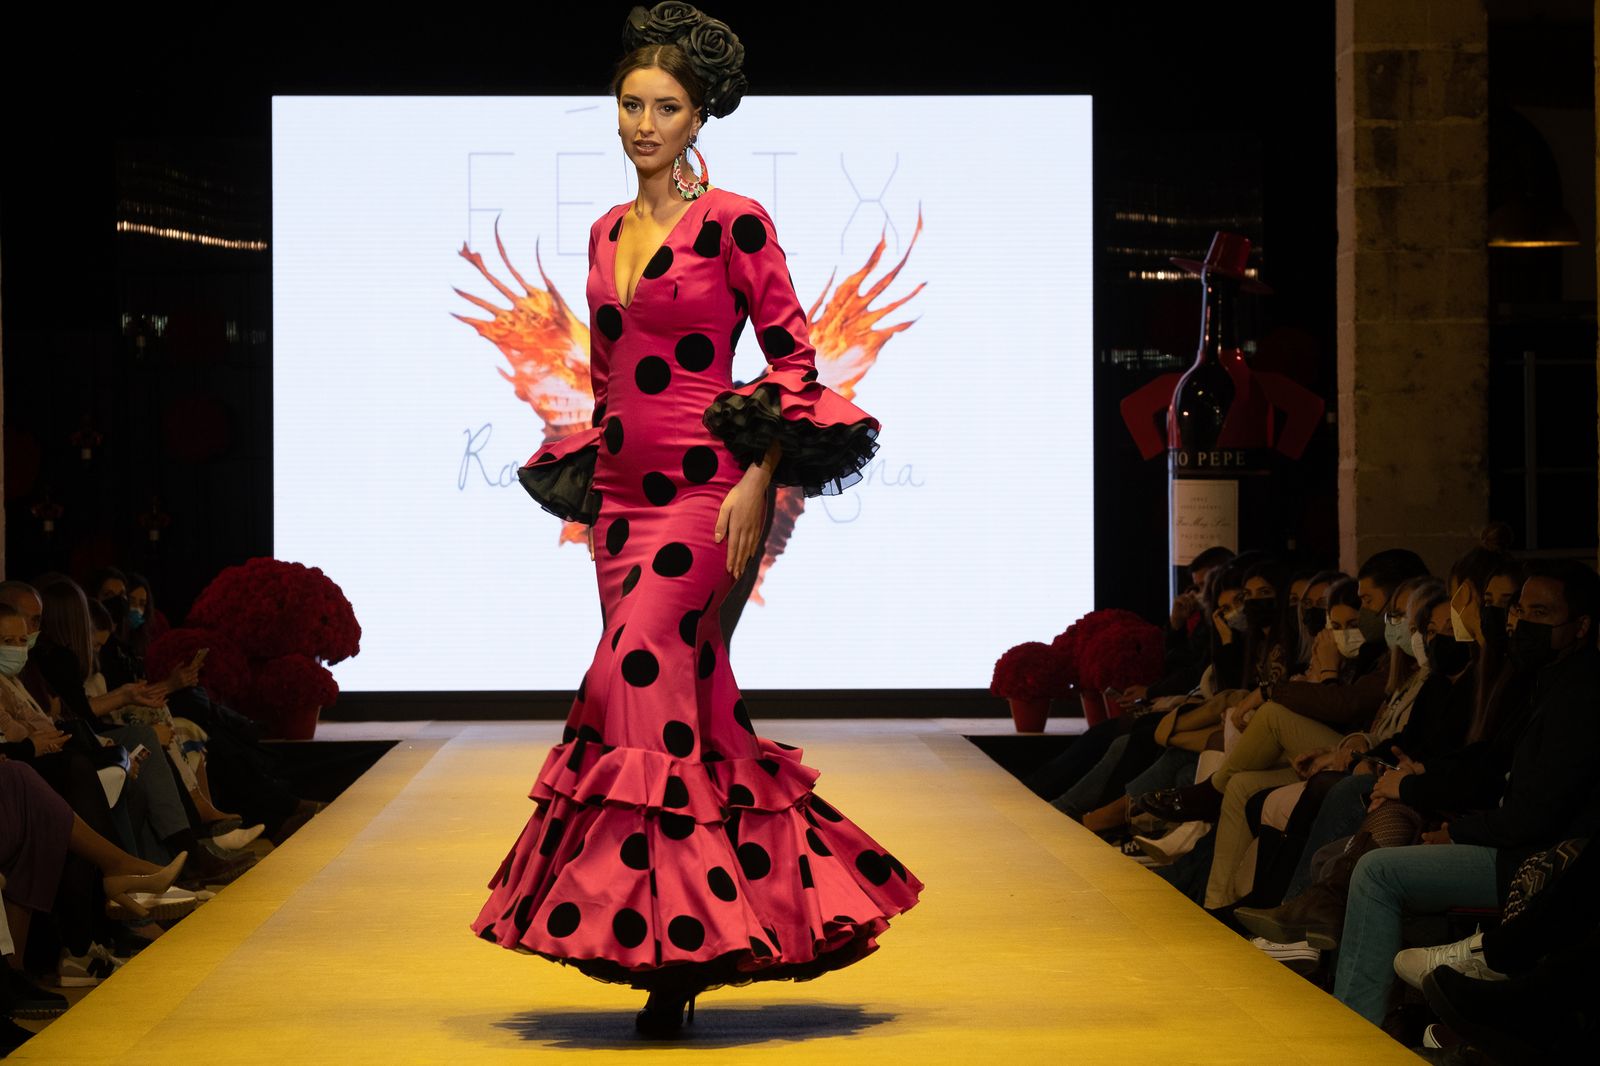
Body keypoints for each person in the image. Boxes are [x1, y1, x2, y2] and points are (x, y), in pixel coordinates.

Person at [469, 4, 924, 1039]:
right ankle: (751, 917)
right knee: (689, 712)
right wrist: (592, 479)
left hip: (707, 491)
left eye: (663, 106)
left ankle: (670, 955)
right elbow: (604, 376)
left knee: (633, 676)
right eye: (629, 103)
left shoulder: (735, 222)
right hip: (622, 497)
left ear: (699, 114)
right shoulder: (599, 232)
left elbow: (796, 359)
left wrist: (762, 475)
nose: (641, 122)